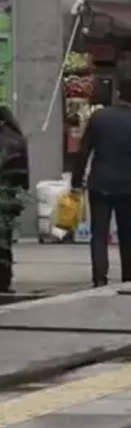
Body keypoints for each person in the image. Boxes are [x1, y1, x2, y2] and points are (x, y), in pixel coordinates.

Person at [71, 78, 131, 287]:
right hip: (125, 184)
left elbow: (83, 151)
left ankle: (99, 277)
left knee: (99, 233)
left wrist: (76, 180)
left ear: (117, 94)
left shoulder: (99, 118)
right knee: (126, 233)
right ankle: (128, 275)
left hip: (99, 182)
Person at [0, 106, 29, 294]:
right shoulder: (18, 139)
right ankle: (4, 279)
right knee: (4, 240)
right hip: (8, 196)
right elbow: (24, 174)